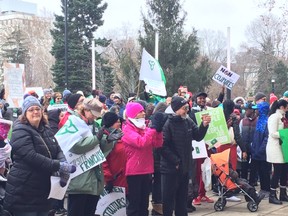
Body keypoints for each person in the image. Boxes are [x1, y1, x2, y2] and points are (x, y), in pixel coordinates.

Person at [4, 96, 75, 216]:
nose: (35, 112)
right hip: (24, 191)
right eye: (31, 110)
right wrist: (58, 166)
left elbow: (57, 148)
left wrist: (64, 164)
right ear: (25, 113)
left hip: (42, 190)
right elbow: (31, 157)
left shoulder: (46, 129)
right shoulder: (19, 130)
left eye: (38, 109)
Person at [66, 98, 121, 216]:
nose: (94, 117)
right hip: (79, 177)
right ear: (85, 110)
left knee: (90, 211)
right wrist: (96, 138)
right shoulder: (72, 122)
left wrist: (108, 141)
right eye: (93, 114)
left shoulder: (95, 125)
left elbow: (99, 150)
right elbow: (75, 146)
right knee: (76, 212)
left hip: (94, 178)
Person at [161, 96, 211, 216]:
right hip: (170, 168)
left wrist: (204, 125)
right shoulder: (167, 123)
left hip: (185, 166)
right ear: (176, 109)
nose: (186, 111)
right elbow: (163, 146)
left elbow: (198, 136)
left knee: (182, 199)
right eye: (184, 108)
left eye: (187, 108)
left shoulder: (187, 121)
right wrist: (176, 161)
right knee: (168, 200)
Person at [121, 102, 166, 216]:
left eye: (143, 111)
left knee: (143, 205)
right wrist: (153, 129)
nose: (143, 113)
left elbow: (157, 144)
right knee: (134, 204)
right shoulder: (127, 129)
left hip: (147, 169)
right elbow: (141, 142)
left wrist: (159, 131)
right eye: (140, 112)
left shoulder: (144, 127)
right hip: (134, 171)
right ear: (133, 114)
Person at [266, 99, 288, 205]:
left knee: (284, 171)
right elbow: (272, 133)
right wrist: (284, 134)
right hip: (275, 148)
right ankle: (272, 194)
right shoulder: (274, 117)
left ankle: (283, 193)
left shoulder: (283, 118)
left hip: (283, 147)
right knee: (277, 171)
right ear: (282, 107)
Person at [101, 112, 127, 194]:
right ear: (110, 123)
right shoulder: (105, 139)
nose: (119, 124)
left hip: (124, 177)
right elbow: (103, 161)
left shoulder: (121, 135)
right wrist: (108, 179)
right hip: (114, 179)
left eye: (119, 121)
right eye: (116, 122)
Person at [47, 109, 67, 215]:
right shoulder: (54, 129)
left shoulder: (49, 127)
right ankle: (58, 208)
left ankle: (57, 208)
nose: (62, 118)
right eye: (61, 116)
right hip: (54, 163)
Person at [250, 101, 271, 199]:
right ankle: (263, 189)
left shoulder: (267, 121)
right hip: (256, 152)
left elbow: (267, 138)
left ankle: (266, 189)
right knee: (259, 171)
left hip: (263, 153)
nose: (256, 111)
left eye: (258, 109)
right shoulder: (259, 120)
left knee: (265, 172)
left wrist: (261, 150)